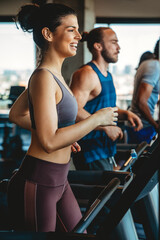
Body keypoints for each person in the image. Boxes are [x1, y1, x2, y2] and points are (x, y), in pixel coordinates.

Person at [7, 4, 118, 232]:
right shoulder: (43, 77)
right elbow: (48, 141)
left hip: (59, 178)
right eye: (71, 30)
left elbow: (16, 115)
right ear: (48, 34)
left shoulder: (53, 76)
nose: (79, 35)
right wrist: (96, 120)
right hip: (39, 181)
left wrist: (65, 137)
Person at [70, 27, 143, 171]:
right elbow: (73, 110)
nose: (119, 47)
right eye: (114, 42)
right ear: (98, 46)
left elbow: (104, 109)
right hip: (91, 151)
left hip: (105, 149)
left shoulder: (107, 75)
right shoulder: (87, 74)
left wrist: (125, 113)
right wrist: (105, 127)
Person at [126, 41, 160, 144]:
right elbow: (141, 101)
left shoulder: (150, 63)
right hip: (141, 126)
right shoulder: (155, 66)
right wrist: (155, 125)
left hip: (139, 125)